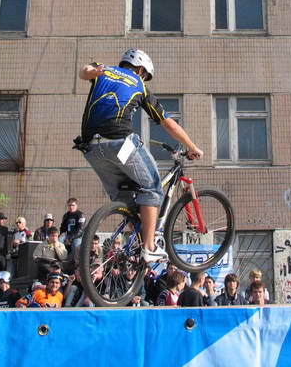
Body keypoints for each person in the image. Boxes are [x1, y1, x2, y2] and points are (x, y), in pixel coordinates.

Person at [74, 49, 203, 263]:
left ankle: (137, 239)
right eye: (146, 75)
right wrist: (192, 146)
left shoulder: (105, 71)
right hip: (119, 143)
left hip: (91, 148)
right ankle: (149, 247)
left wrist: (92, 71)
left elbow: (84, 71)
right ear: (141, 70)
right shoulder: (140, 86)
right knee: (152, 188)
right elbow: (167, 123)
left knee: (125, 198)